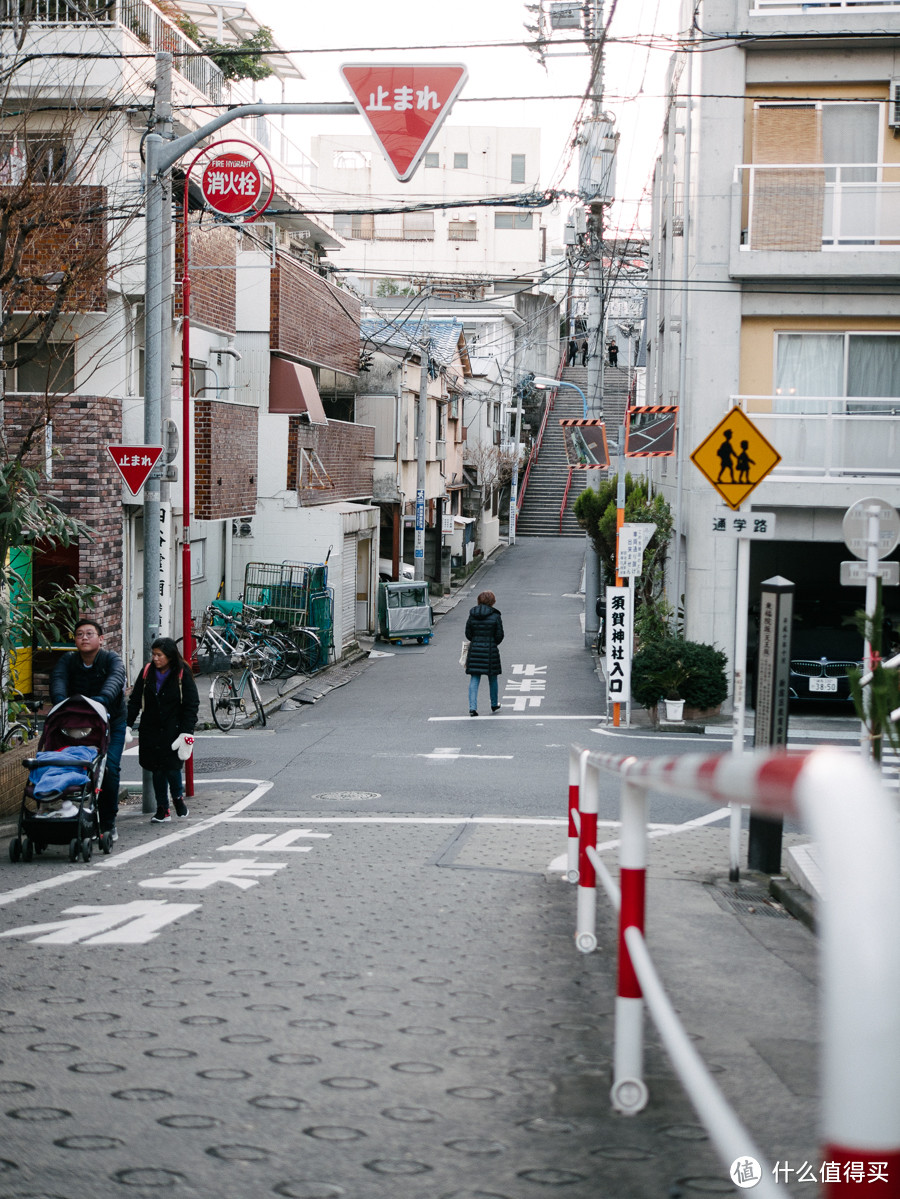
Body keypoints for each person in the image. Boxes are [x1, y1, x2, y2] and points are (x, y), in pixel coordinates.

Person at [50, 618, 127, 842]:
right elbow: (58, 682)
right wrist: (60, 704)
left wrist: (100, 701)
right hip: (78, 725)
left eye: (89, 633)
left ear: (101, 639)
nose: (84, 637)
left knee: (108, 769)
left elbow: (115, 680)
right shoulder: (68, 660)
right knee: (72, 766)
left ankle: (109, 824)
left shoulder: (110, 660)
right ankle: (76, 816)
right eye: (79, 634)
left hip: (111, 723)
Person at [127, 637, 199, 824]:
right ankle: (162, 808)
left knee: (172, 767)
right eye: (154, 654)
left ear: (169, 656)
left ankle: (177, 798)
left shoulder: (182, 673)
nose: (155, 658)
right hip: (150, 728)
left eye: (159, 655)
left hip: (173, 728)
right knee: (156, 769)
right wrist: (127, 724)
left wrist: (186, 732)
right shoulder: (147, 672)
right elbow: (135, 701)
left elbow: (191, 705)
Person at [465, 590, 504, 716]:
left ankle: (472, 707)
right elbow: (499, 635)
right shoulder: (495, 615)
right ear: (492, 602)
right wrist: (492, 643)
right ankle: (494, 704)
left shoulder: (472, 614)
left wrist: (476, 640)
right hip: (491, 650)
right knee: (492, 678)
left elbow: (468, 634)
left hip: (475, 649)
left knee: (474, 678)